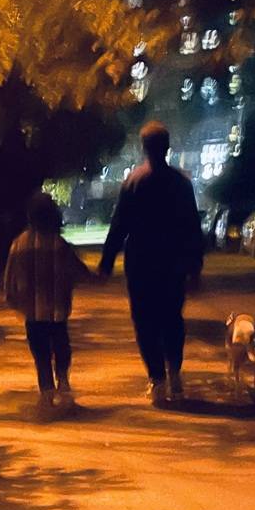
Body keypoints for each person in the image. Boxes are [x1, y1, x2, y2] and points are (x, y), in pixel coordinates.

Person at [99, 121, 204, 403]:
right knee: (172, 319)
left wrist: (106, 264)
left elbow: (119, 226)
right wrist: (195, 268)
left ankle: (157, 380)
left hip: (141, 264)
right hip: (173, 264)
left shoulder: (134, 182)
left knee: (145, 322)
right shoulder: (181, 184)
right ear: (167, 147)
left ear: (143, 148)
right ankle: (174, 373)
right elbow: (192, 227)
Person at [3, 192, 93, 417]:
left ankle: (46, 393)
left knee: (40, 352)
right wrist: (94, 277)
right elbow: (76, 270)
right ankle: (63, 382)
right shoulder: (58, 244)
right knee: (61, 347)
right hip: (57, 309)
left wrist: (12, 298)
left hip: (32, 311)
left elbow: (9, 276)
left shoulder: (19, 244)